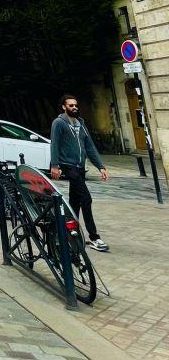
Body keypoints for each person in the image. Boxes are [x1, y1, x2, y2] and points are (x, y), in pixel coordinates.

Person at [50, 94, 109, 252]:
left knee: (75, 201)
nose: (74, 107)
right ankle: (94, 237)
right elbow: (54, 144)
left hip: (80, 166)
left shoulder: (81, 124)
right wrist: (55, 165)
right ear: (64, 107)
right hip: (68, 165)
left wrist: (100, 166)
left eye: (75, 105)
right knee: (86, 199)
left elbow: (89, 146)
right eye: (70, 105)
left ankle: (67, 231)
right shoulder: (59, 123)